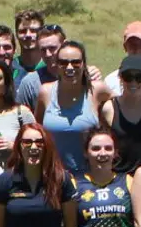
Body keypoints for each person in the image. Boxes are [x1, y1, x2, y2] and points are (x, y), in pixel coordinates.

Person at [37, 42, 102, 174]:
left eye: (76, 62)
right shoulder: (46, 92)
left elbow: (125, 100)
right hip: (53, 175)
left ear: (84, 64)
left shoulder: (97, 91)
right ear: (57, 65)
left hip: (88, 177)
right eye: (63, 63)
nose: (70, 67)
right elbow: (38, 130)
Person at [101, 54, 141, 175]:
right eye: (128, 77)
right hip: (117, 178)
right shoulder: (109, 108)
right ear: (120, 78)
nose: (133, 82)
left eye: (139, 77)